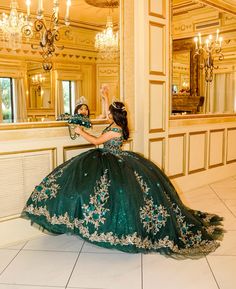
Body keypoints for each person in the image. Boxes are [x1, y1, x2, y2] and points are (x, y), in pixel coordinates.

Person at [22, 100, 224, 257]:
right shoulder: (115, 123)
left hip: (110, 160)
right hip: (111, 158)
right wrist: (106, 97)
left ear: (114, 115)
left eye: (109, 111)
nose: (107, 113)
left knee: (113, 196)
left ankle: (112, 228)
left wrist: (80, 131)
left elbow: (96, 141)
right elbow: (106, 117)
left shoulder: (115, 129)